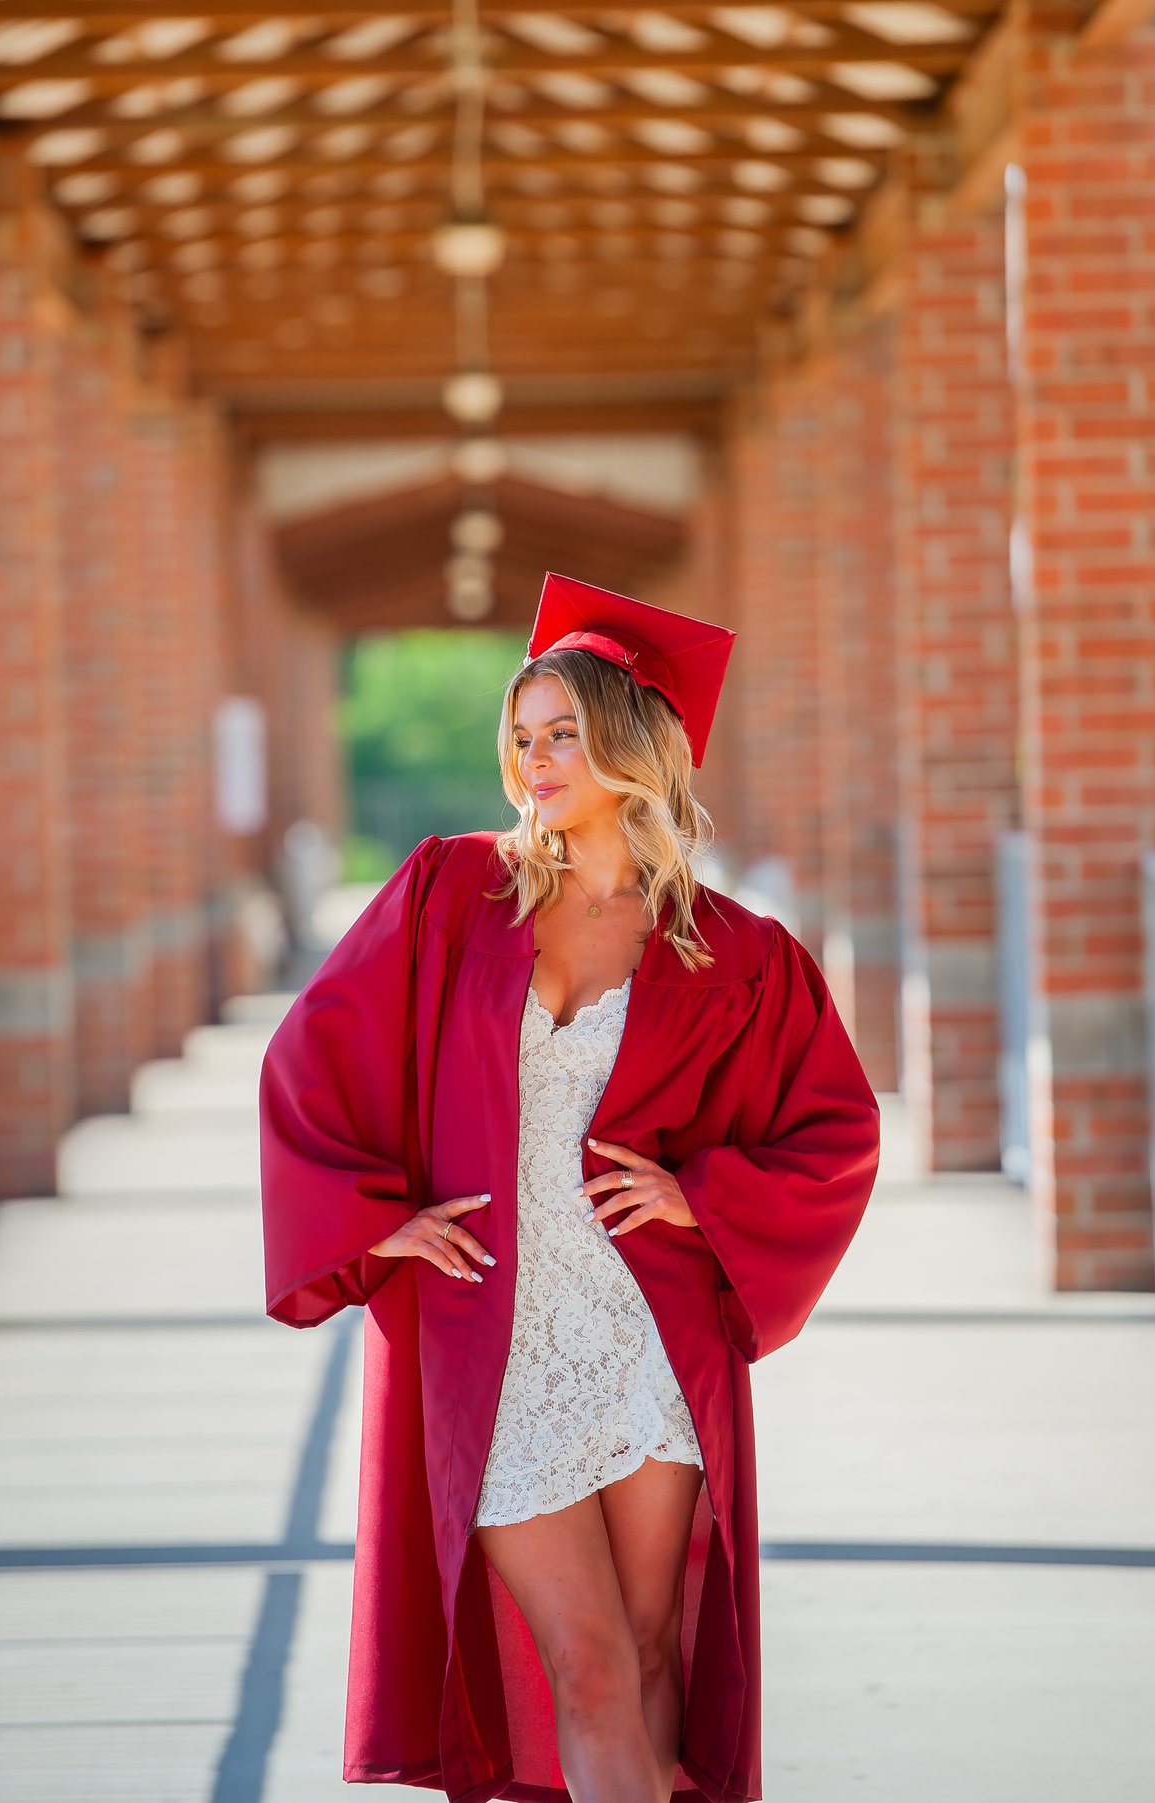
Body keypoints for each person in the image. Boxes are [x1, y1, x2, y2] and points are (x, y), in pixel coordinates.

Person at [259, 571, 882, 1803]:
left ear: (630, 747)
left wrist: (705, 1195)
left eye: (564, 735)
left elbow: (837, 1129)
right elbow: (307, 1060)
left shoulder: (732, 951)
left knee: (653, 1661)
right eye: (524, 736)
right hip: (499, 1341)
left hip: (649, 1344)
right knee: (588, 1668)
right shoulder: (452, 896)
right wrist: (383, 1221)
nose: (536, 761)